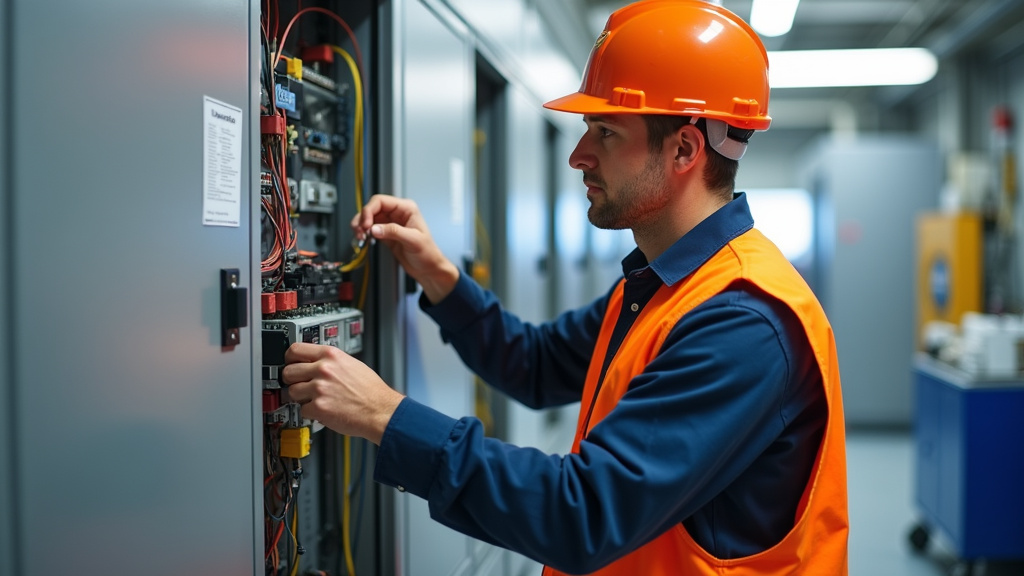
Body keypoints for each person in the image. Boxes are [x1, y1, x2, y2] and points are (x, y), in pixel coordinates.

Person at [282, 0, 849, 574]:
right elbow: (537, 364)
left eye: (605, 132)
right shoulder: (667, 286)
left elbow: (582, 514)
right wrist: (440, 277)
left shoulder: (742, 320)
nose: (579, 156)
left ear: (684, 148)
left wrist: (386, 416)